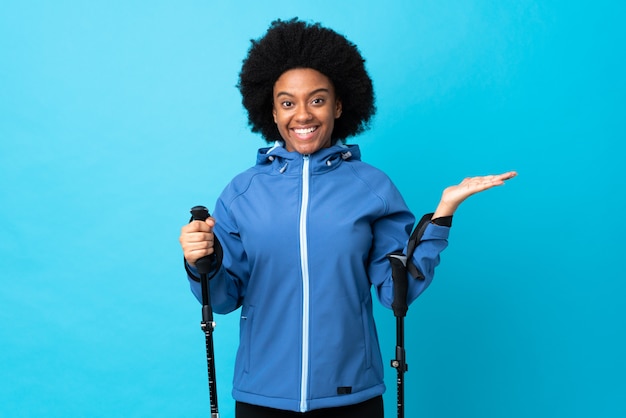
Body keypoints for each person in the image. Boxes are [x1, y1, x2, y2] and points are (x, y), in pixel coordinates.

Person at [179, 18, 516, 418]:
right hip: (261, 395)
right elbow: (222, 298)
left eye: (317, 100)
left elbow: (397, 293)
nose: (302, 115)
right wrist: (201, 261)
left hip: (351, 394)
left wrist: (442, 216)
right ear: (271, 111)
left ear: (339, 105)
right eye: (288, 103)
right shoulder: (242, 192)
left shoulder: (371, 187)